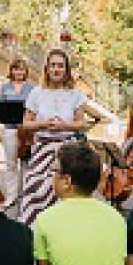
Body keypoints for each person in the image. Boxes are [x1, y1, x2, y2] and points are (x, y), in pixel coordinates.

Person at [18, 49, 87, 226]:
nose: (56, 69)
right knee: (35, 191)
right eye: (53, 65)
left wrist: (64, 125)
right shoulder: (36, 93)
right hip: (42, 148)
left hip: (67, 150)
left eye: (60, 66)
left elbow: (81, 123)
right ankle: (33, 233)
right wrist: (42, 124)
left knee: (66, 193)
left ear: (66, 69)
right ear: (47, 68)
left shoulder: (75, 94)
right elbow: (26, 124)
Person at [0, 58, 36, 208]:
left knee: (27, 164)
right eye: (16, 69)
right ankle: (11, 196)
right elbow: (0, 108)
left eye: (22, 69)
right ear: (11, 71)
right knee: (10, 164)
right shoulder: (5, 87)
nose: (19, 72)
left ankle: (27, 196)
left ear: (26, 71)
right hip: (10, 129)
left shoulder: (32, 88)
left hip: (27, 131)